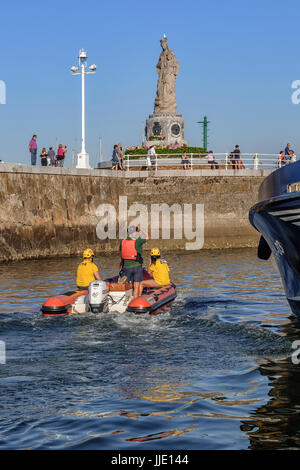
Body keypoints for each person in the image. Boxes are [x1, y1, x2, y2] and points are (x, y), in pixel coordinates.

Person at [120, 224, 150, 298]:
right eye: (136, 232)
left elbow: (122, 255)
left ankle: (126, 300)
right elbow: (148, 237)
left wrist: (121, 266)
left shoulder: (122, 242)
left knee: (126, 284)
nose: (136, 233)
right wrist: (141, 229)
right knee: (136, 286)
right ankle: (135, 301)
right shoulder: (138, 241)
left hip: (126, 267)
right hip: (137, 267)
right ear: (134, 233)